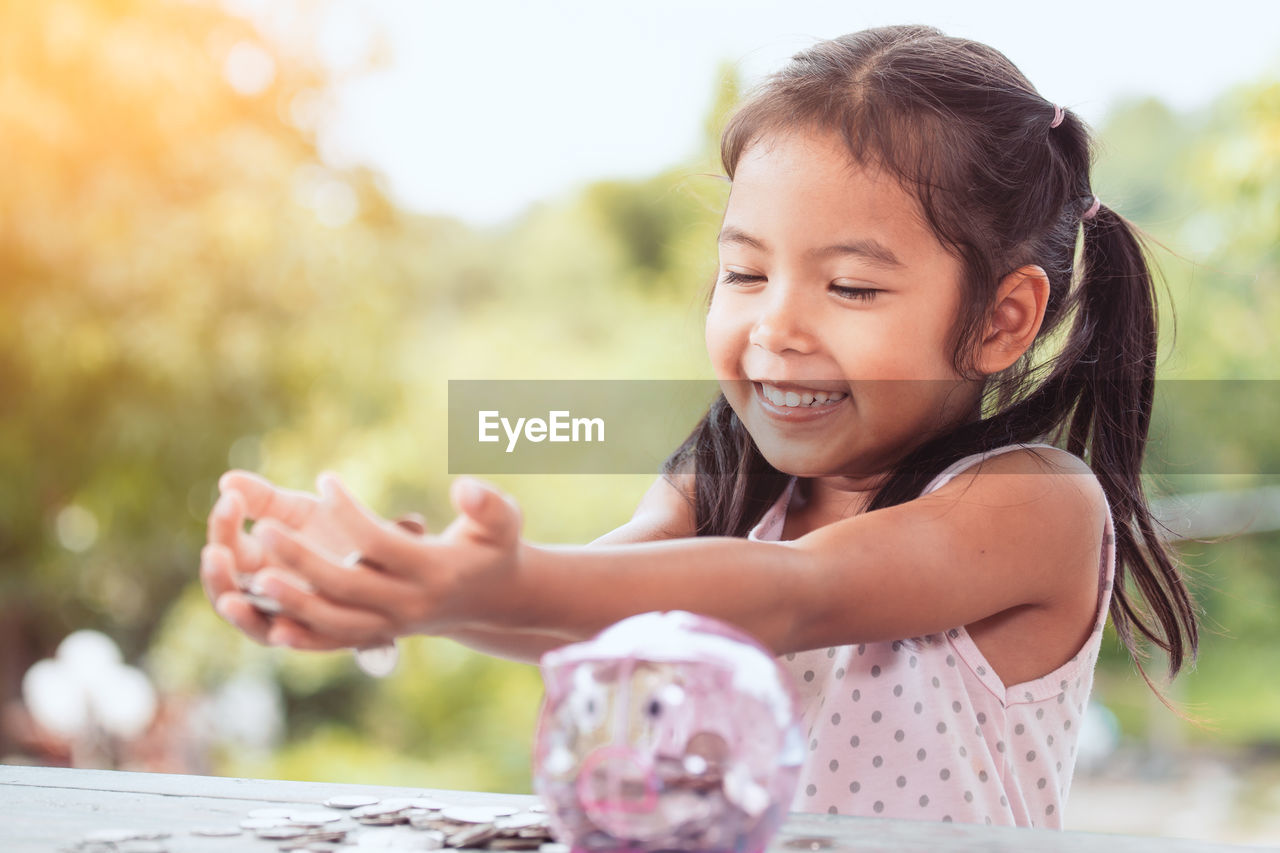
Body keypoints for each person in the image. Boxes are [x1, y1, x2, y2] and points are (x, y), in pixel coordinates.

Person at [199, 25, 1199, 828]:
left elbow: (793, 594)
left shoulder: (1030, 503)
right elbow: (598, 589)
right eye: (745, 272)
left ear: (999, 319)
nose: (773, 325)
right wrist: (406, 593)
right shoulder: (726, 472)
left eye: (849, 285)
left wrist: (483, 581)